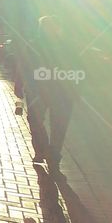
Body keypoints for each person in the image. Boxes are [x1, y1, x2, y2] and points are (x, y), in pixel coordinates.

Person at [19, 15, 79, 172]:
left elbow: (24, 66)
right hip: (59, 92)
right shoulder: (67, 46)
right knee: (57, 125)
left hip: (41, 91)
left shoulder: (34, 45)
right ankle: (51, 152)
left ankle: (44, 150)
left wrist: (19, 84)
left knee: (37, 120)